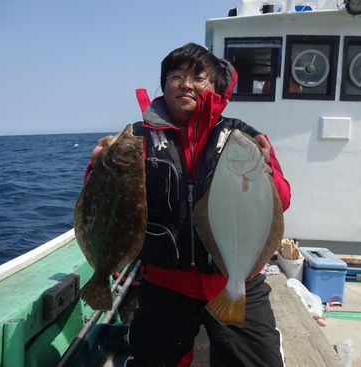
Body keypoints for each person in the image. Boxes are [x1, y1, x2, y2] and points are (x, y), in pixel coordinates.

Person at [86, 43, 291, 367]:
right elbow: (103, 202)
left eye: (198, 77)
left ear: (215, 86)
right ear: (163, 85)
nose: (186, 84)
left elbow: (282, 200)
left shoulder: (242, 137)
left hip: (236, 280)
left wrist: (264, 171)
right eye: (175, 76)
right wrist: (99, 167)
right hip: (166, 285)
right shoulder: (136, 139)